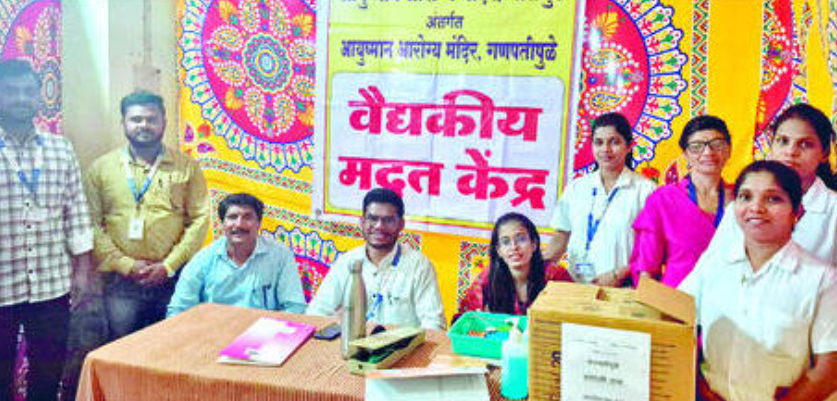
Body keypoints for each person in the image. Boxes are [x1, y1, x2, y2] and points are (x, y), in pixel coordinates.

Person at [680, 161, 837, 401]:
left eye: (773, 199)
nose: (756, 208)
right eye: (745, 197)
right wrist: (697, 384)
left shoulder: (821, 280)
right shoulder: (714, 264)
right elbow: (677, 322)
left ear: (797, 212)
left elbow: (828, 370)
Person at [0, 59, 95, 401]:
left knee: (48, 372)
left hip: (51, 283)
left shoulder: (60, 148)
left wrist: (82, 272)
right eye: (11, 91)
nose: (20, 98)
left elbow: (77, 211)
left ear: (39, 96)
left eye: (28, 91)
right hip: (2, 285)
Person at [85, 91, 209, 339]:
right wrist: (127, 265)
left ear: (164, 122)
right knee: (123, 349)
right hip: (120, 282)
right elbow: (90, 224)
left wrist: (169, 265)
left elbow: (200, 218)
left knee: (170, 346)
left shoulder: (187, 167)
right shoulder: (101, 169)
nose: (144, 125)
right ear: (123, 123)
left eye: (152, 119)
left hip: (172, 278)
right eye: (136, 119)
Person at [704, 103, 837, 265]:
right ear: (771, 145)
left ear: (825, 153)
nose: (791, 152)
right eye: (783, 141)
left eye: (805, 144)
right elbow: (711, 269)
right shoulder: (740, 206)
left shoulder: (833, 210)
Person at [307, 188, 446, 330]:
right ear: (362, 222)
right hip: (352, 342)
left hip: (402, 344)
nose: (379, 226)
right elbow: (316, 314)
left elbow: (434, 324)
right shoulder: (347, 262)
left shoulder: (419, 266)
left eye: (388, 220)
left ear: (401, 224)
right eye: (373, 219)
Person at [544, 112, 656, 285]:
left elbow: (653, 249)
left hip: (623, 288)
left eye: (614, 142)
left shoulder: (646, 191)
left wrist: (618, 274)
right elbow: (562, 234)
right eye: (599, 142)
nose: (605, 149)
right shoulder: (576, 188)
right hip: (576, 287)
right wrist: (538, 267)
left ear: (629, 146)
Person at [629, 116, 733, 287]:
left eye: (717, 144)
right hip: (678, 297)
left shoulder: (743, 198)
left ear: (729, 150)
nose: (708, 152)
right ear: (686, 155)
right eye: (696, 147)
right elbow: (646, 269)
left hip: (730, 297)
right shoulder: (663, 199)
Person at [167, 193, 306, 317]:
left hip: (263, 333)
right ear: (223, 224)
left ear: (259, 224)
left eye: (247, 217)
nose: (239, 224)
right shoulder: (203, 259)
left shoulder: (280, 256)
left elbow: (294, 307)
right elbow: (179, 309)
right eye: (232, 217)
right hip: (214, 332)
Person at [457, 212, 571, 318]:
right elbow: (466, 319)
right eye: (505, 242)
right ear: (499, 250)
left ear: (534, 244)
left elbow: (574, 315)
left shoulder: (555, 275)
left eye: (521, 239)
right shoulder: (488, 278)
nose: (514, 247)